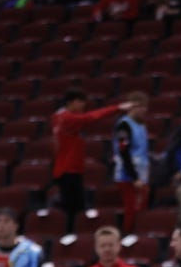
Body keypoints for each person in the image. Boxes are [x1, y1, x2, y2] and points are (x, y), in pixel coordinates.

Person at [52, 90, 132, 231]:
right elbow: (92, 117)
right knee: (74, 208)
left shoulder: (57, 116)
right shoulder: (67, 119)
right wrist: (118, 108)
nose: (83, 105)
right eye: (80, 101)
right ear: (71, 102)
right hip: (69, 169)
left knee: (75, 205)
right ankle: (72, 235)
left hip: (67, 167)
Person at [112, 91, 150, 233]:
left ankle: (138, 235)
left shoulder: (142, 125)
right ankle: (128, 235)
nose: (143, 110)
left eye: (144, 106)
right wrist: (133, 176)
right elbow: (124, 152)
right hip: (128, 175)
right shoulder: (124, 125)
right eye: (139, 106)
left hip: (142, 174)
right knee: (131, 209)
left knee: (141, 209)